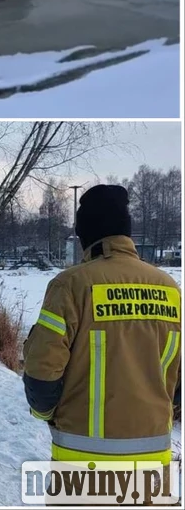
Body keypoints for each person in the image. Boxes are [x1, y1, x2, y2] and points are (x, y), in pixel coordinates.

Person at [23, 185, 181, 465]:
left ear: (86, 234)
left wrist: (48, 414)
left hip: (84, 458)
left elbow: (41, 370)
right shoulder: (169, 289)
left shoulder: (70, 285)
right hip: (154, 459)